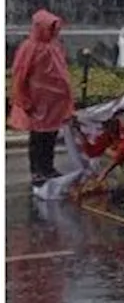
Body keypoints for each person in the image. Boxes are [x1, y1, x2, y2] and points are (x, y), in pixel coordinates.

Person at [9, 10, 76, 186]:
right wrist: (23, 99)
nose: (55, 31)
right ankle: (37, 170)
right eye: (51, 28)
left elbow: (62, 71)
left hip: (54, 103)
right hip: (38, 102)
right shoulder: (30, 47)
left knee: (50, 136)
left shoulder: (54, 46)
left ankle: (47, 167)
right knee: (38, 137)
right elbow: (20, 74)